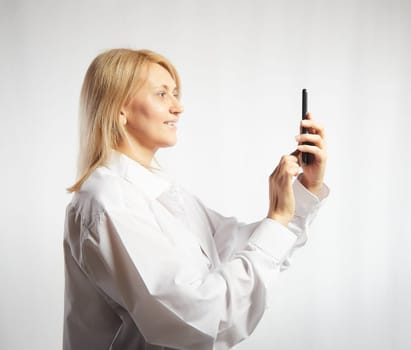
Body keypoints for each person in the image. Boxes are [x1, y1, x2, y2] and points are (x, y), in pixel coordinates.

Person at [63, 48, 328, 350]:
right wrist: (278, 218)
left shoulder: (160, 192)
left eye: (175, 93)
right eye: (162, 94)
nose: (178, 107)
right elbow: (202, 319)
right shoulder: (109, 201)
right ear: (119, 108)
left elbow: (240, 248)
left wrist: (305, 188)